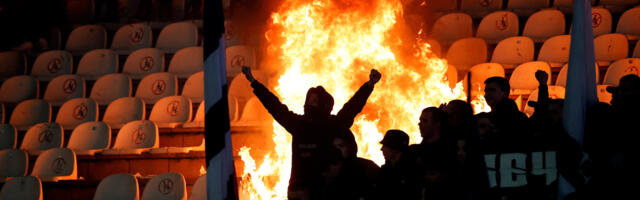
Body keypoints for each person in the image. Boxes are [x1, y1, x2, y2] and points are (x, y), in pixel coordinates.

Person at [241, 66, 381, 199]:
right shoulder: (298, 124)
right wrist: (254, 83)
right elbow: (275, 106)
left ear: (324, 105)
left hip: (323, 191)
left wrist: (369, 85)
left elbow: (352, 107)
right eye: (308, 100)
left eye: (314, 101)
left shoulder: (334, 124)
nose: (309, 104)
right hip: (299, 190)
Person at [373, 129, 420, 200]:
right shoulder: (386, 170)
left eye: (385, 146)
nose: (381, 149)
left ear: (395, 149)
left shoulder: (411, 171)